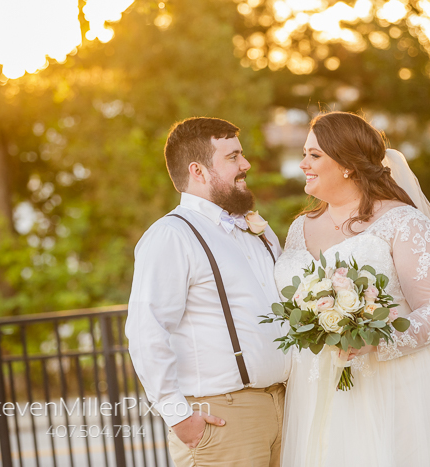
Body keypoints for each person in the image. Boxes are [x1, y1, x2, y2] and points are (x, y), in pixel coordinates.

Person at [274, 111, 430, 466]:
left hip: (397, 387)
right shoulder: (299, 228)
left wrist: (377, 339)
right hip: (317, 387)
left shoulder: (402, 222)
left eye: (314, 155)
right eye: (304, 153)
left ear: (347, 163)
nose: (303, 163)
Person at [126, 117, 290, 467]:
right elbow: (146, 331)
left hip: (287, 407)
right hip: (225, 419)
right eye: (232, 157)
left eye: (241, 155)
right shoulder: (172, 235)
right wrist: (179, 416)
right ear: (198, 171)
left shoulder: (257, 229)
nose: (245, 165)